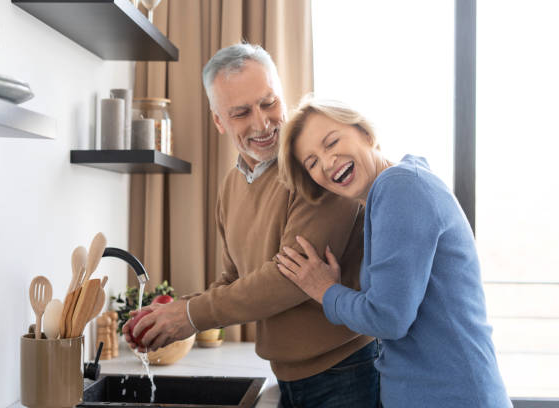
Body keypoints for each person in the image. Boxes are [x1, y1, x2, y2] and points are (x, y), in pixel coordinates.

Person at [124, 44, 380, 408]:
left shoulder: (316, 170)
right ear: (218, 121)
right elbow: (233, 280)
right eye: (241, 112)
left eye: (268, 103)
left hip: (347, 371)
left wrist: (189, 316)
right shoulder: (232, 184)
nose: (261, 123)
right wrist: (169, 316)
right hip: (289, 374)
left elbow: (287, 278)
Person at [275, 97, 511, 407]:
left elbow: (388, 319)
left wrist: (326, 291)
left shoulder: (398, 187)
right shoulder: (399, 188)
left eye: (332, 142)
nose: (328, 162)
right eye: (313, 162)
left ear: (365, 133)